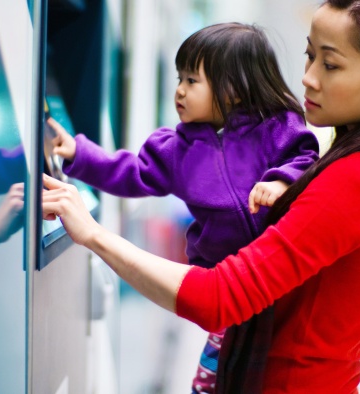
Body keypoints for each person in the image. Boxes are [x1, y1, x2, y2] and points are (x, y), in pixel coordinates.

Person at [43, 0, 360, 392]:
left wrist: (93, 234)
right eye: (310, 56)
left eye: (331, 64)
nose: (309, 77)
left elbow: (217, 298)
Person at [48, 22, 320, 392]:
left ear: (235, 89)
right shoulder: (177, 150)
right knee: (214, 378)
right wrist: (80, 154)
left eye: (192, 81)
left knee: (269, 369)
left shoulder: (276, 129)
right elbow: (131, 172)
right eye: (180, 78)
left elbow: (306, 157)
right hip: (223, 287)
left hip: (276, 281)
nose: (179, 90)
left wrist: (282, 180)